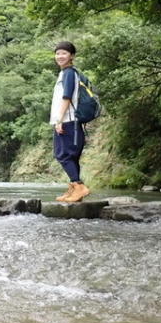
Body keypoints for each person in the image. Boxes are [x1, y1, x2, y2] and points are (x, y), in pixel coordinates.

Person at [50, 41, 91, 202]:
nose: (60, 56)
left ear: (72, 56)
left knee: (63, 155)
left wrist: (59, 120)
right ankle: (74, 189)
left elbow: (67, 97)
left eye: (64, 53)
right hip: (69, 121)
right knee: (71, 157)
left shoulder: (68, 73)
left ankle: (79, 187)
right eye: (58, 53)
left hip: (68, 121)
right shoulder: (67, 73)